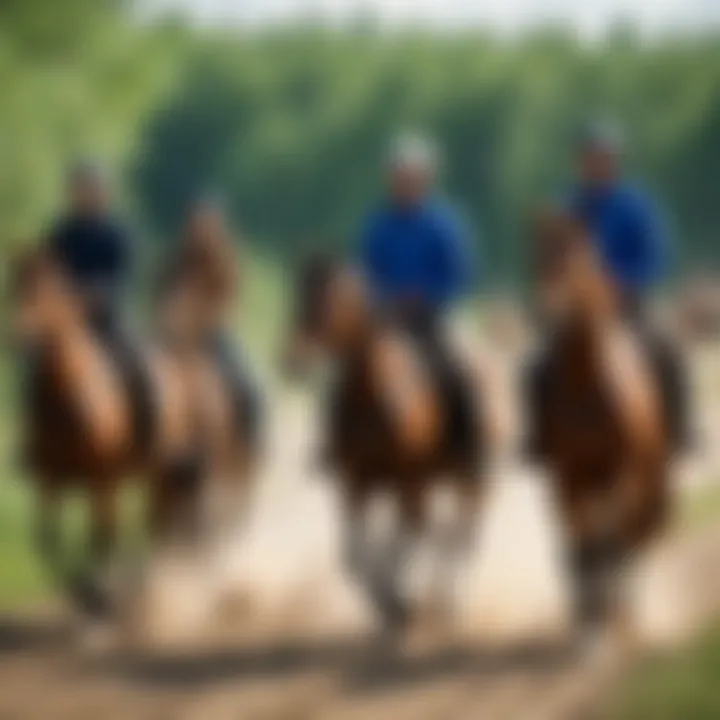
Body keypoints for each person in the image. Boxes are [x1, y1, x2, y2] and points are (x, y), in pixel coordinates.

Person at [526, 120, 689, 454]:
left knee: (667, 352)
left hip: (629, 305)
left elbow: (655, 254)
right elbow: (550, 262)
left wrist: (626, 281)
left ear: (616, 161)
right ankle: (539, 437)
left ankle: (677, 430)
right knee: (537, 366)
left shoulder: (637, 206)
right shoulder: (565, 208)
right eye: (590, 157)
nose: (596, 164)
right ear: (579, 162)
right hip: (580, 314)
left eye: (603, 157)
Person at [357, 133, 478, 468]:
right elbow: (366, 270)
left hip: (432, 318)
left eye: (411, 176)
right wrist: (384, 298)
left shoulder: (443, 224)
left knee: (457, 374)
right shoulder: (379, 224)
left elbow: (459, 272)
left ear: (425, 179)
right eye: (399, 176)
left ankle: (467, 447)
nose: (404, 182)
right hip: (387, 320)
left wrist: (425, 294)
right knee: (351, 372)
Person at [47, 160, 153, 448]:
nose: (85, 195)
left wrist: (93, 295)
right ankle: (34, 438)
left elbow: (123, 277)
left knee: (138, 365)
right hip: (69, 321)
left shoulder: (116, 235)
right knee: (39, 364)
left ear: (104, 193)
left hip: (108, 319)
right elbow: (49, 274)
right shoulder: (62, 234)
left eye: (91, 189)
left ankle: (147, 436)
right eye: (80, 189)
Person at [160, 196, 262, 450]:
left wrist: (203, 320)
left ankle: (248, 445)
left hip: (214, 336)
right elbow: (161, 296)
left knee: (246, 387)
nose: (199, 229)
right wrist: (168, 318)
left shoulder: (225, 259)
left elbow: (229, 300)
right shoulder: (176, 259)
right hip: (176, 337)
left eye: (206, 224)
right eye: (195, 224)